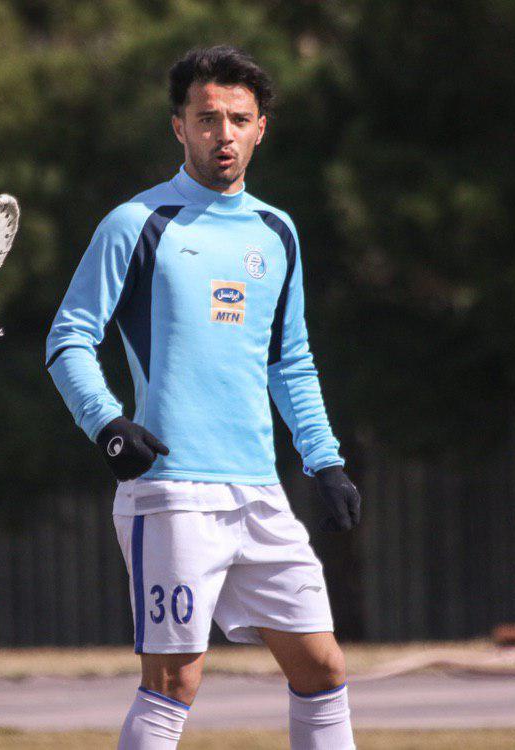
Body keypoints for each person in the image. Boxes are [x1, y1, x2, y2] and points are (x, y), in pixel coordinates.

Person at [46, 46, 362, 750]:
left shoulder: (277, 231)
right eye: (207, 118)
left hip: (259, 492)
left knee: (322, 668)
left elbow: (290, 361)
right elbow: (68, 338)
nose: (224, 134)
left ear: (261, 129)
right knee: (174, 680)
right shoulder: (136, 223)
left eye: (239, 120)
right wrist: (107, 424)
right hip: (172, 494)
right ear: (179, 127)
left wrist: (325, 461)